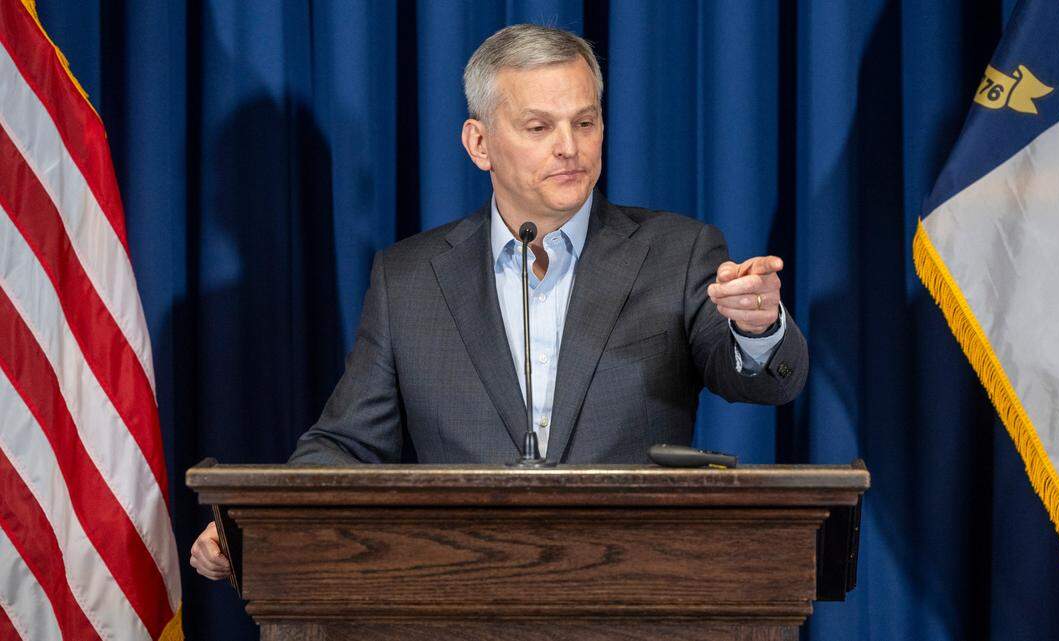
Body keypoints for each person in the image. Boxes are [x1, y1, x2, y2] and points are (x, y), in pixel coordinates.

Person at [190, 23, 807, 581]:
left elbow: (760, 382)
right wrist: (252, 525)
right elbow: (348, 444)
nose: (569, 146)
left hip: (636, 587)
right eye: (539, 127)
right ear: (479, 143)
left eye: (585, 122)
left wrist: (759, 327)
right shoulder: (410, 278)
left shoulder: (676, 251)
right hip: (461, 591)